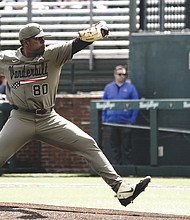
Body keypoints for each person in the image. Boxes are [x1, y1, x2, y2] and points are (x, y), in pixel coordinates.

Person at [0, 22, 151, 207]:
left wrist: (98, 31)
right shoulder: (7, 58)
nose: (43, 41)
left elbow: (78, 43)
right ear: (26, 42)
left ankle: (121, 189)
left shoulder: (52, 54)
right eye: (38, 39)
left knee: (87, 143)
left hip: (48, 117)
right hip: (20, 118)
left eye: (43, 37)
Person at [102, 65, 139, 165]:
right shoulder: (108, 88)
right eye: (119, 74)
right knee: (114, 148)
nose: (122, 76)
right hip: (111, 122)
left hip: (126, 122)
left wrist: (132, 120)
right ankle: (116, 170)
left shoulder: (131, 88)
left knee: (127, 147)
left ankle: (128, 169)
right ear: (115, 75)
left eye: (124, 74)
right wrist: (104, 120)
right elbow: (103, 105)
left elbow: (136, 104)